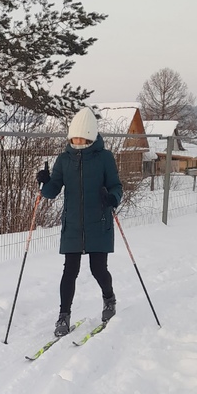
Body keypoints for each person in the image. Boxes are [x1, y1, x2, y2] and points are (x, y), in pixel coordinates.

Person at [36, 106, 122, 337]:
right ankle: (63, 316)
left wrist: (112, 198)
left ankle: (109, 299)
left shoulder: (104, 158)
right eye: (74, 137)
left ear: (91, 137)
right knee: (69, 271)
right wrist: (44, 183)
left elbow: (116, 186)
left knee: (98, 269)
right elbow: (52, 191)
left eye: (82, 138)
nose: (78, 142)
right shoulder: (64, 159)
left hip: (99, 222)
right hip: (73, 224)